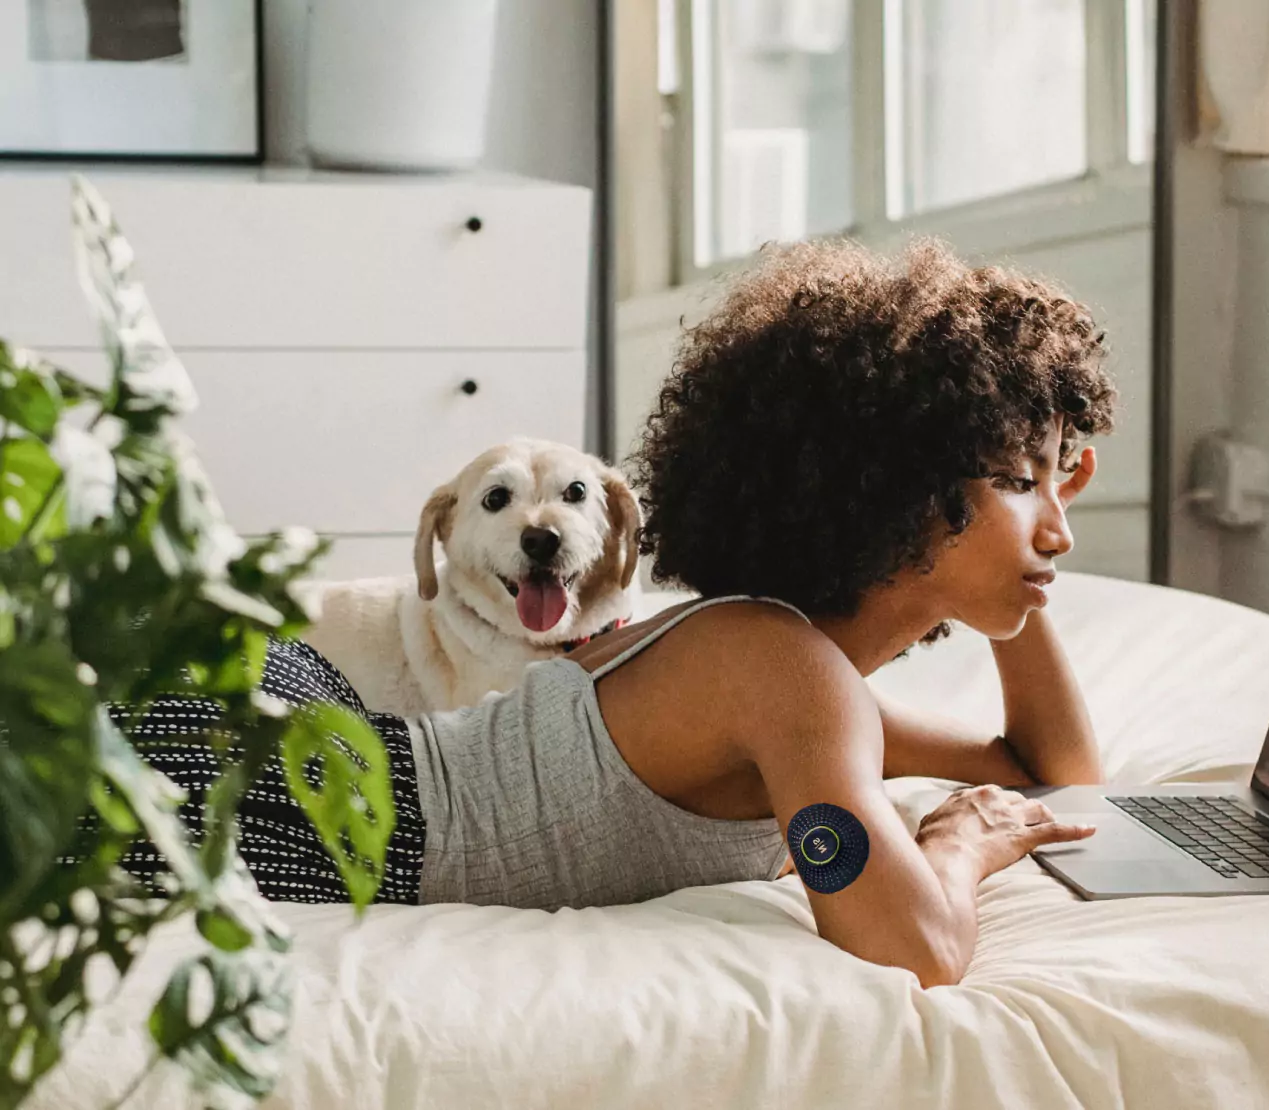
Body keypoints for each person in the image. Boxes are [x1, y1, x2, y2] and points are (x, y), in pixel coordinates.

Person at [102, 237, 1118, 989]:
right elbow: (920, 948)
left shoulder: (783, 674)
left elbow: (1055, 780)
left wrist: (1025, 569)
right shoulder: (784, 676)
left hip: (324, 745)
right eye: (1020, 482)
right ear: (899, 487)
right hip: (298, 794)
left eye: (1054, 487)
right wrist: (959, 845)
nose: (1057, 527)